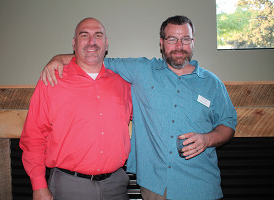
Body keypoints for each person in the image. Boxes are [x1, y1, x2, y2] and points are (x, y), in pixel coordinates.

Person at [41, 15, 237, 200]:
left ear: (193, 41)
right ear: (161, 43)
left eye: (185, 39)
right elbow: (94, 58)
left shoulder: (212, 83)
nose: (179, 46)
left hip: (201, 187)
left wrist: (207, 139)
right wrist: (58, 58)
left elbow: (228, 125)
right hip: (155, 188)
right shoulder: (141, 71)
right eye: (172, 39)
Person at [20, 18, 132, 200]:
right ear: (74, 43)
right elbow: (33, 136)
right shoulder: (52, 80)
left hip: (116, 186)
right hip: (69, 186)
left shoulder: (124, 83)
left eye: (98, 35)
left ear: (106, 43)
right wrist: (38, 185)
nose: (92, 42)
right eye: (84, 35)